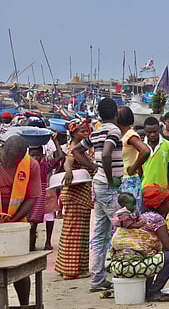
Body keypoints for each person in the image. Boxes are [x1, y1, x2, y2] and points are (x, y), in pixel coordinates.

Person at [72, 97, 123, 292]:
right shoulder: (114, 130)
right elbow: (108, 153)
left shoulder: (97, 131)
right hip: (109, 186)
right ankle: (120, 274)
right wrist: (109, 178)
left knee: (101, 234)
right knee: (121, 229)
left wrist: (94, 167)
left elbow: (76, 150)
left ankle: (98, 279)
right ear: (116, 113)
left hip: (98, 184)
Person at [110, 193, 169, 302]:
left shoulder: (133, 217)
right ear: (159, 206)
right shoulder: (156, 218)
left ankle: (145, 290)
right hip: (134, 266)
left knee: (151, 254)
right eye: (168, 203)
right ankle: (154, 292)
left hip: (117, 266)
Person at [0, 135, 42, 306]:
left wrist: (13, 220)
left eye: (16, 161)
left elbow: (31, 198)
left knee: (21, 269)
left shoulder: (31, 165)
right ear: (3, 150)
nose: (12, 164)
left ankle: (24, 304)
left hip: (17, 225)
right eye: (9, 160)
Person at [55, 119, 95, 280]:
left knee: (73, 231)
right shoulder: (74, 149)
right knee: (76, 233)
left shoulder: (81, 148)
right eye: (82, 131)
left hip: (80, 193)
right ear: (73, 134)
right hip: (76, 194)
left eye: (86, 131)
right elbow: (68, 161)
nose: (85, 134)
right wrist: (68, 171)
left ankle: (68, 267)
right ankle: (72, 270)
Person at [28, 133, 64, 251]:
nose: (35, 158)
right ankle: (31, 244)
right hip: (32, 194)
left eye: (37, 155)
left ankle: (48, 242)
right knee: (32, 222)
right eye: (33, 155)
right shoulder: (26, 165)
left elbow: (59, 156)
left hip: (46, 192)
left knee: (49, 218)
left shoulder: (45, 164)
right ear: (28, 155)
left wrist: (56, 142)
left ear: (42, 155)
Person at [117, 106, 150, 213]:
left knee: (129, 216)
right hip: (123, 179)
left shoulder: (130, 135)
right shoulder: (121, 134)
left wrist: (134, 167)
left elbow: (145, 151)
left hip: (129, 180)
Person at [142, 116, 169, 216]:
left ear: (159, 129)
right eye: (149, 132)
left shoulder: (168, 145)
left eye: (155, 132)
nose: (152, 135)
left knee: (161, 221)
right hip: (145, 189)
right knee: (146, 223)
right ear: (144, 131)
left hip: (162, 190)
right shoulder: (141, 146)